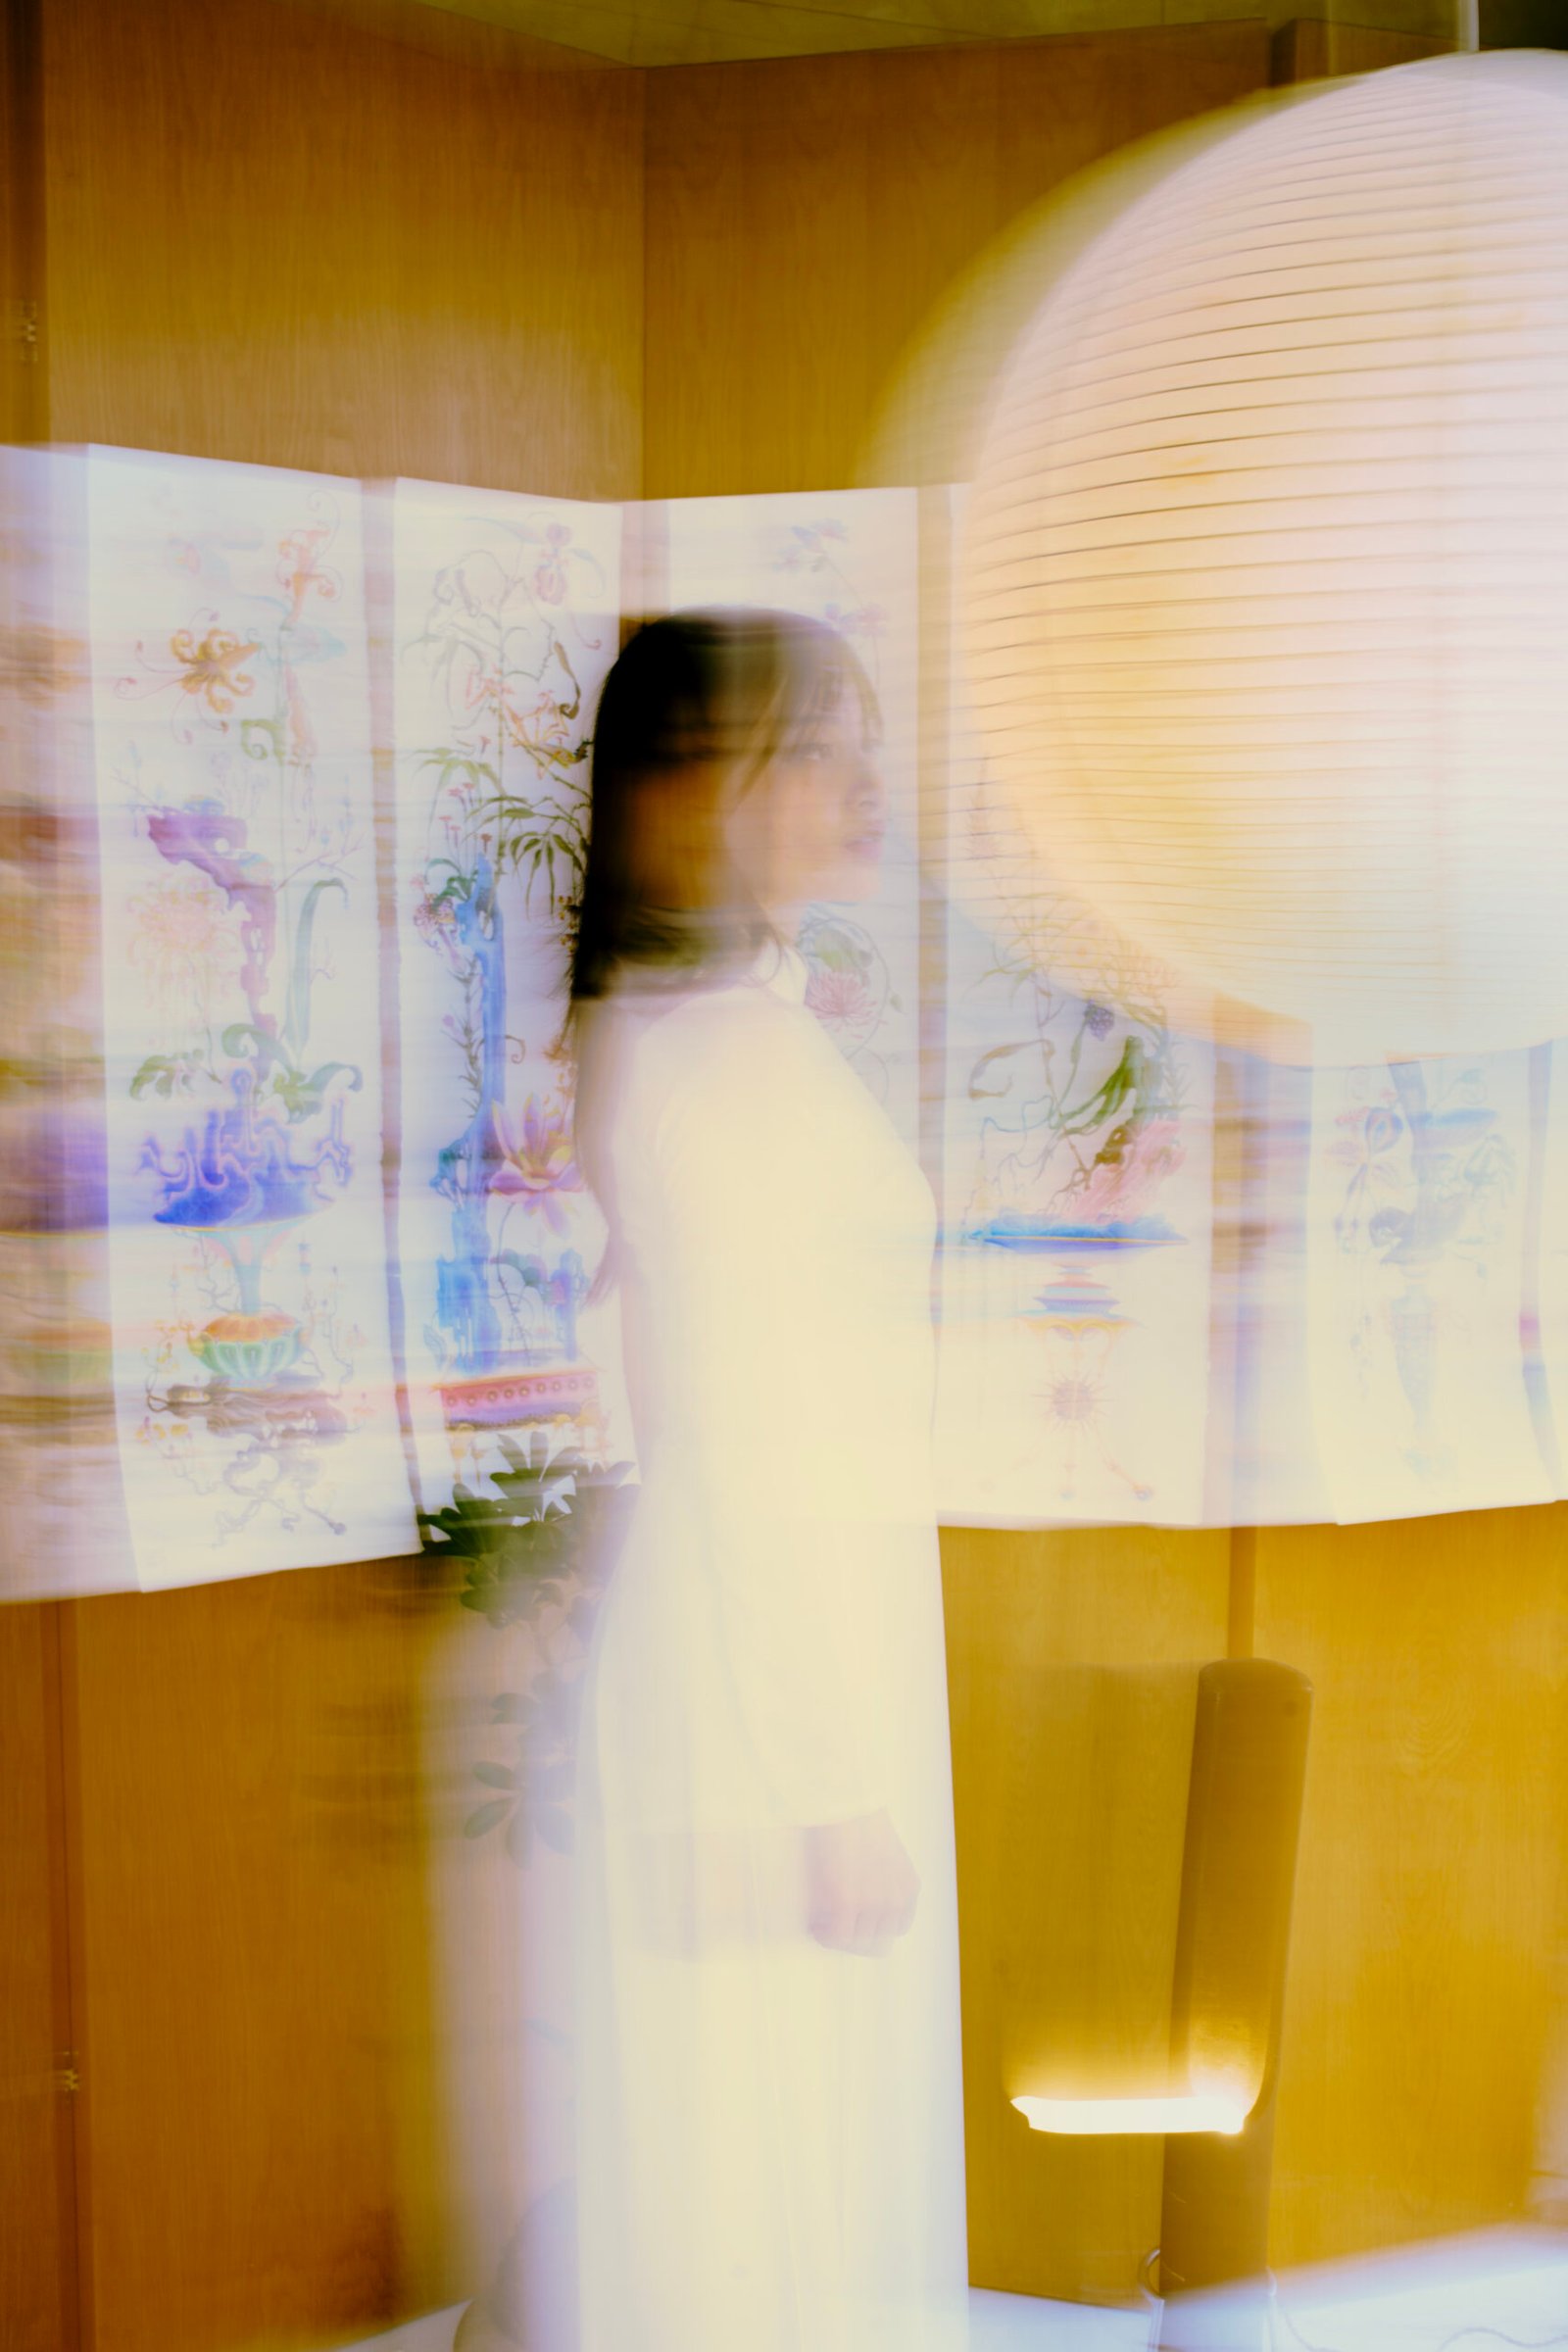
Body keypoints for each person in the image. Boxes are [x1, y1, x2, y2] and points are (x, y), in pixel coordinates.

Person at [562, 608, 967, 2352]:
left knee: (776, 2148)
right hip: (767, 1665)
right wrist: (829, 1784)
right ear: (690, 789)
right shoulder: (711, 1059)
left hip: (792, 1630)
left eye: (861, 745)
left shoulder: (727, 1024)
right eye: (813, 752)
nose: (860, 786)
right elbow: (740, 1440)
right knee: (761, 2160)